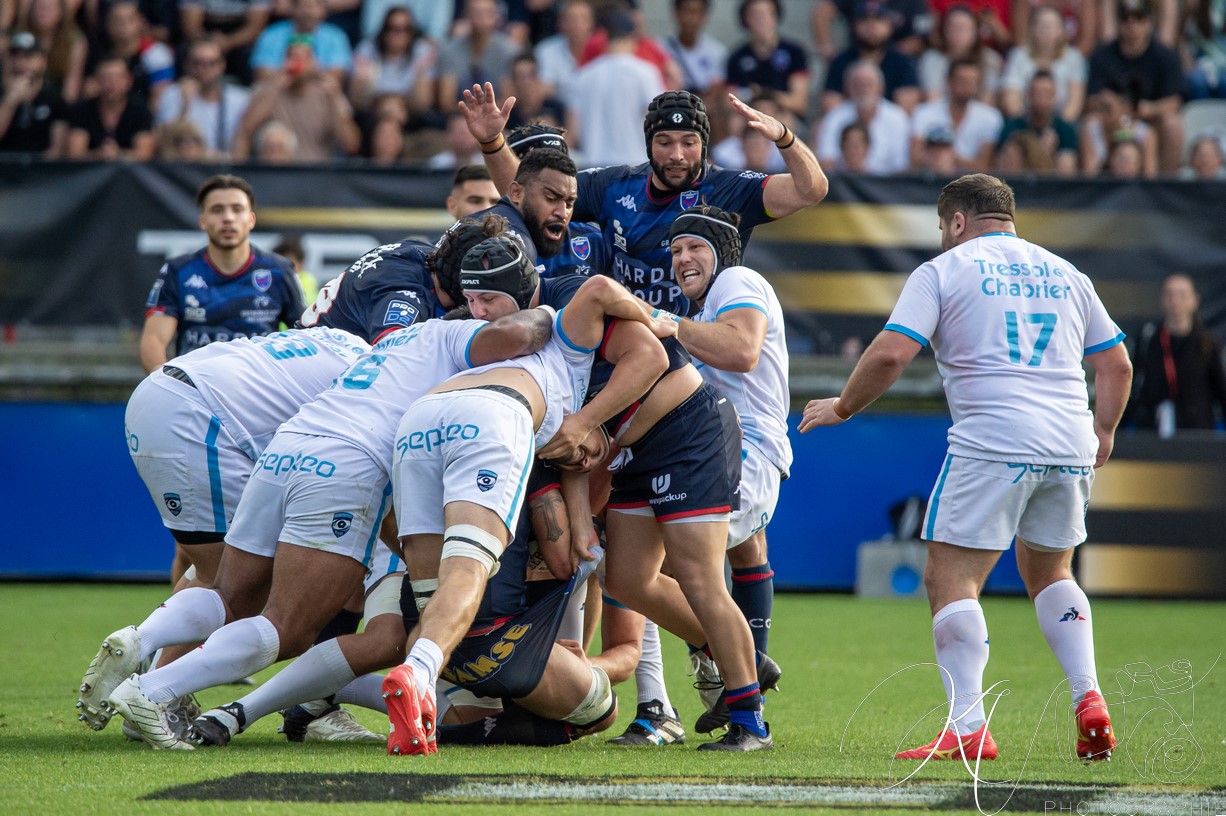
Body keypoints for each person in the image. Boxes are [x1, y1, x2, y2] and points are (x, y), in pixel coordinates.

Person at [93, 301, 562, 750]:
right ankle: (153, 690)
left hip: (283, 446)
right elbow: (512, 334)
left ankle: (141, 638)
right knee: (290, 628)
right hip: (344, 463)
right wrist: (553, 312)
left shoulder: (388, 344)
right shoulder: (454, 349)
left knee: (230, 595)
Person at [799, 173, 1133, 763]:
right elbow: (1117, 366)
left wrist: (843, 406)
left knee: (950, 578)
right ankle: (1089, 698)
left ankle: (969, 726)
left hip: (993, 438)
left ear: (956, 222)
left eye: (942, 229)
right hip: (1070, 443)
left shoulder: (943, 270)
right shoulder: (1066, 273)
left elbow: (891, 351)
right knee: (1052, 572)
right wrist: (1102, 432)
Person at [381, 240, 679, 755]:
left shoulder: (466, 343)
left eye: (488, 300)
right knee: (596, 707)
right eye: (472, 300)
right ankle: (420, 675)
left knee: (435, 609)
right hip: (492, 419)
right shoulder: (551, 330)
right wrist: (654, 316)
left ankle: (416, 686)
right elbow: (603, 292)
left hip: (418, 425)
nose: (478, 312)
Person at [76, 325, 370, 731]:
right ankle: (151, 688)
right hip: (204, 418)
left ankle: (144, 652)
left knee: (219, 577)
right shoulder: (381, 375)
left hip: (159, 395)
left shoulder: (338, 337)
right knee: (245, 591)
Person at [612, 204, 792, 745]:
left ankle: (732, 706)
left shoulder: (738, 279)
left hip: (744, 447)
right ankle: (742, 665)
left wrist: (668, 325)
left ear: (722, 252)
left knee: (694, 574)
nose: (681, 258)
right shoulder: (702, 306)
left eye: (694, 247)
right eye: (674, 250)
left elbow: (741, 350)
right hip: (696, 444)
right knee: (628, 576)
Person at [461, 84, 827, 317]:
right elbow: (527, 192)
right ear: (649, 145)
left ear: (704, 145)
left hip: (700, 346)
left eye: (689, 142)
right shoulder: (616, 185)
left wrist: (783, 137)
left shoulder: (731, 188)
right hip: (629, 340)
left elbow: (811, 189)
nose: (677, 155)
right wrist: (493, 142)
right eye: (665, 142)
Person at [139, 174, 305, 374]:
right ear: (203, 221)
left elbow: (306, 336)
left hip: (260, 390)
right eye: (217, 210)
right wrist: (166, 381)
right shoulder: (178, 271)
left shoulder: (279, 271)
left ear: (251, 219)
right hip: (195, 390)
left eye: (237, 209)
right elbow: (154, 340)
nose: (228, 217)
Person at [1085, 0, 1184, 173]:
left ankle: (1162, 188)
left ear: (1149, 22)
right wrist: (1108, 102)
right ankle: (1091, 187)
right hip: (1112, 119)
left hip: (1148, 119)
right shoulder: (1103, 54)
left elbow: (1175, 101)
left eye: (1138, 18)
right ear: (1118, 23)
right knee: (1090, 123)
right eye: (1125, 18)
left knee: (1172, 124)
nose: (1132, 24)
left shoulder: (1164, 55)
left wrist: (1150, 109)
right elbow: (1089, 100)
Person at [233, 35, 361, 162]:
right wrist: (275, 88)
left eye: (305, 57)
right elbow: (246, 128)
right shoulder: (267, 89)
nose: (298, 62)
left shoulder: (329, 92)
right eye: (291, 56)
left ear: (315, 62)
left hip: (317, 174)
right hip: (276, 173)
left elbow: (351, 145)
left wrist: (334, 99)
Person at [1125, 274, 1226, 433]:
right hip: (1153, 430)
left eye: (1182, 295)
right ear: (1162, 300)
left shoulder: (1207, 343)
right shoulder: (1149, 340)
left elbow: (1221, 390)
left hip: (1197, 433)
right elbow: (1133, 384)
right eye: (1169, 295)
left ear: (1194, 300)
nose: (1175, 301)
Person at [566, 10, 664, 167]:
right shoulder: (646, 73)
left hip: (595, 169)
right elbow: (657, 122)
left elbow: (572, 132)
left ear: (606, 37)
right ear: (632, 37)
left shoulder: (583, 76)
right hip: (636, 165)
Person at [154, 36, 250, 157]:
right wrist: (185, 107)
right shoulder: (172, 94)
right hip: (183, 167)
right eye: (198, 63)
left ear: (222, 65)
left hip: (223, 168)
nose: (204, 69)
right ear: (187, 64)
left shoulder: (240, 98)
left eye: (211, 63)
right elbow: (164, 145)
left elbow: (244, 141)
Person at [822, 0, 921, 115]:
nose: (871, 26)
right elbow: (831, 106)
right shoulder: (841, 61)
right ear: (854, 25)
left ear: (890, 26)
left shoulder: (902, 62)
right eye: (864, 20)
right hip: (850, 127)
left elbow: (907, 108)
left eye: (878, 20)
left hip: (890, 126)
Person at [816, 59, 910, 175]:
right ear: (848, 89)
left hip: (887, 187)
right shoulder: (834, 117)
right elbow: (826, 162)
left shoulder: (898, 118)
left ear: (880, 88)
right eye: (858, 85)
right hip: (844, 184)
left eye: (868, 84)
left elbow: (902, 167)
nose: (863, 90)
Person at [909, 59, 1003, 172]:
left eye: (973, 81)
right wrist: (937, 160)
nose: (968, 86)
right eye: (962, 80)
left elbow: (985, 166)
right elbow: (914, 159)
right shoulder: (924, 112)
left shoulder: (990, 117)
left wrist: (950, 157)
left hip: (972, 186)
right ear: (949, 82)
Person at [999, 5, 1086, 123]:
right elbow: (1011, 100)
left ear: (1062, 30)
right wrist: (1027, 127)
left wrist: (1059, 128)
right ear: (1032, 29)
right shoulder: (1018, 55)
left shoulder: (1074, 58)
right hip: (1024, 122)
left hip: (1061, 124)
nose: (1047, 30)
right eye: (1042, 25)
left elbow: (1074, 104)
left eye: (1052, 26)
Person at [725, 0, 810, 118]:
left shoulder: (795, 52)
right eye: (755, 15)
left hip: (783, 114)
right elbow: (729, 103)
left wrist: (766, 95)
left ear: (775, 17)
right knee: (734, 122)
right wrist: (753, 101)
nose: (761, 20)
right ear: (745, 19)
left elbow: (799, 103)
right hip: (748, 115)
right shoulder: (736, 57)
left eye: (766, 14)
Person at [349, 6, 436, 114]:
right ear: (384, 30)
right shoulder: (367, 50)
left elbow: (423, 106)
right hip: (373, 113)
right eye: (393, 28)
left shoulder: (421, 51)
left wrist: (420, 76)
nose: (399, 34)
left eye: (406, 29)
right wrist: (362, 82)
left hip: (410, 114)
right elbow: (355, 103)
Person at [64, 55, 155, 160]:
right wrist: (99, 155)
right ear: (96, 81)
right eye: (106, 77)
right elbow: (75, 154)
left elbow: (145, 154)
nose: (112, 83)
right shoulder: (82, 109)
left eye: (117, 77)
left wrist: (118, 155)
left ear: (129, 81)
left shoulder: (139, 109)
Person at [996, 70, 1078, 176]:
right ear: (1028, 95)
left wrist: (1046, 157)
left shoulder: (1065, 130)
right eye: (1036, 93)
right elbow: (1001, 167)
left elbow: (1067, 175)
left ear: (1054, 96)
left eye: (1046, 93)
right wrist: (1039, 153)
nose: (1041, 99)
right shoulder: (1012, 126)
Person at [0, 31, 69, 156]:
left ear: (43, 62)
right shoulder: (3, 97)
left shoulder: (54, 99)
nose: (20, 63)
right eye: (15, 56)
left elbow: (57, 150)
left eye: (28, 57)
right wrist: (10, 101)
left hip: (40, 172)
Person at [250, 0, 353, 83]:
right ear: (293, 9)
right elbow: (262, 74)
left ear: (323, 11)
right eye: (304, 6)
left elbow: (336, 76)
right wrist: (289, 73)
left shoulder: (336, 36)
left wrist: (311, 72)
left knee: (330, 89)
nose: (308, 12)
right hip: (280, 93)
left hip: (318, 96)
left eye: (313, 6)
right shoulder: (271, 34)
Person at [177, 0, 271, 86]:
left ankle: (251, 97)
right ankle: (185, 93)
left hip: (240, 37)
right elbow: (191, 27)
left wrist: (228, 43)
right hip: (205, 32)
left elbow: (255, 27)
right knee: (185, 50)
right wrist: (209, 43)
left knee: (251, 54)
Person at [659, 0, 727, 100]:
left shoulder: (717, 52)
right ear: (675, 13)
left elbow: (715, 93)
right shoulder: (659, 48)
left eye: (696, 12)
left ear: (705, 16)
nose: (690, 18)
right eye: (686, 11)